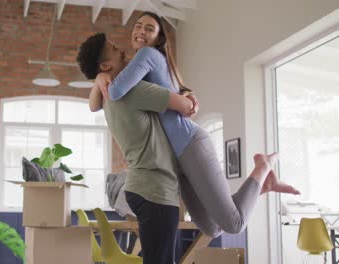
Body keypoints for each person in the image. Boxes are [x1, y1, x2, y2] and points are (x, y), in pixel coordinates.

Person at [76, 33, 298, 264]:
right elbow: (185, 106)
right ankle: (262, 172)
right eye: (114, 48)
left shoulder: (105, 100)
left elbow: (94, 103)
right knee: (220, 229)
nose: (122, 49)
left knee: (213, 227)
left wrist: (101, 77)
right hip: (156, 190)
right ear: (105, 64)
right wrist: (187, 96)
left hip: (147, 186)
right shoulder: (133, 90)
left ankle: (261, 183)